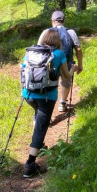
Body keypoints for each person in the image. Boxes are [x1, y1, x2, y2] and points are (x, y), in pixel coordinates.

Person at [23, 29, 76, 178]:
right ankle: (29, 165)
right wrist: (73, 68)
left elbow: (23, 70)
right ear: (57, 41)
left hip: (28, 95)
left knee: (38, 116)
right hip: (47, 97)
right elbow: (66, 77)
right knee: (41, 127)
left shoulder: (30, 52)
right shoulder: (59, 54)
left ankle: (38, 144)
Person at [38, 11, 83, 112]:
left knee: (48, 83)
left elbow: (39, 48)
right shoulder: (70, 32)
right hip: (66, 61)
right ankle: (62, 103)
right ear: (64, 21)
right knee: (66, 79)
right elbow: (78, 49)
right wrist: (80, 65)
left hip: (49, 63)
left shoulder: (46, 32)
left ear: (52, 21)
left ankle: (46, 107)